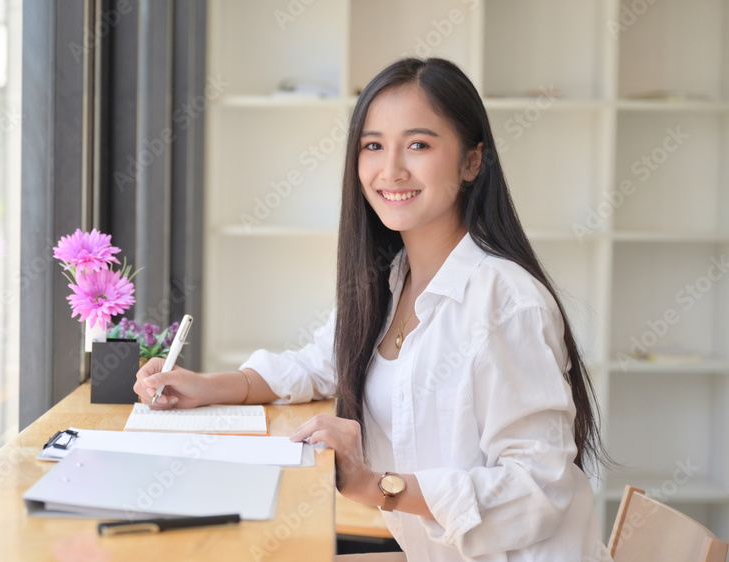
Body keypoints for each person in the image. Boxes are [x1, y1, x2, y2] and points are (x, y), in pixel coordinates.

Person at [133, 57, 612, 561]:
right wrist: (206, 386)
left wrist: (374, 485)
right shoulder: (395, 276)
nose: (391, 170)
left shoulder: (505, 301)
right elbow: (321, 363)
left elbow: (537, 491)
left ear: (472, 162)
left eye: (419, 145)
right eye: (373, 146)